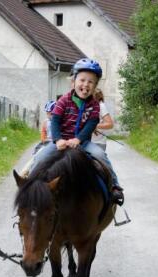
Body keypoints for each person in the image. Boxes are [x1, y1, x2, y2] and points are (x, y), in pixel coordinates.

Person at [31, 58, 124, 205]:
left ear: (95, 87)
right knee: (39, 157)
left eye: (90, 82)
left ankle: (114, 186)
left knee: (101, 155)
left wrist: (78, 140)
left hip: (83, 143)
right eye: (82, 80)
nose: (86, 85)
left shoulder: (94, 105)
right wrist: (58, 139)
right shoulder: (63, 100)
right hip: (60, 141)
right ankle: (30, 187)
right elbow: (55, 120)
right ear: (73, 82)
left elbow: (91, 125)